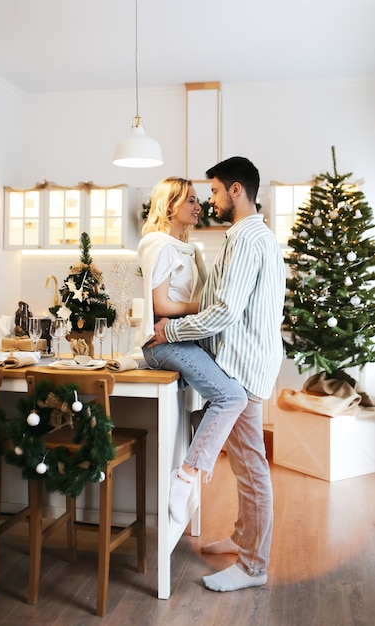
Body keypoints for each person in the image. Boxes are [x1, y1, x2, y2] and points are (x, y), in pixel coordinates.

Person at [146, 157, 286, 592]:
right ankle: (244, 540)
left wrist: (170, 328)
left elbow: (223, 312)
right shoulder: (259, 235)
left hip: (242, 367)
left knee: (251, 467)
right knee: (247, 466)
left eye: (214, 190)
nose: (210, 199)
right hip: (253, 361)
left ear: (236, 190)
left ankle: (253, 567)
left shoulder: (245, 240)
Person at [136, 177, 248, 525]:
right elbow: (160, 304)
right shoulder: (160, 246)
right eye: (191, 201)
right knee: (232, 397)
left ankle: (197, 462)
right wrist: (201, 305)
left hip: (180, 339)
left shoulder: (185, 247)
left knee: (220, 401)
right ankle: (184, 477)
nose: (199, 207)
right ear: (170, 206)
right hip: (164, 343)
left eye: (200, 200)